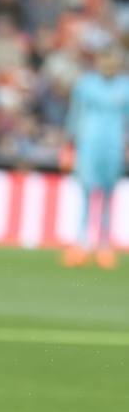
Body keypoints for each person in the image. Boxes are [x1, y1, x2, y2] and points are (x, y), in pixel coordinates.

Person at [61, 44, 128, 270]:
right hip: (89, 144)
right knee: (87, 192)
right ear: (98, 62)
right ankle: (82, 242)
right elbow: (75, 115)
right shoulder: (86, 85)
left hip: (113, 147)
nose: (108, 66)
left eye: (113, 62)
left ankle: (104, 244)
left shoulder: (125, 87)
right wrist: (69, 144)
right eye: (105, 60)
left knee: (108, 194)